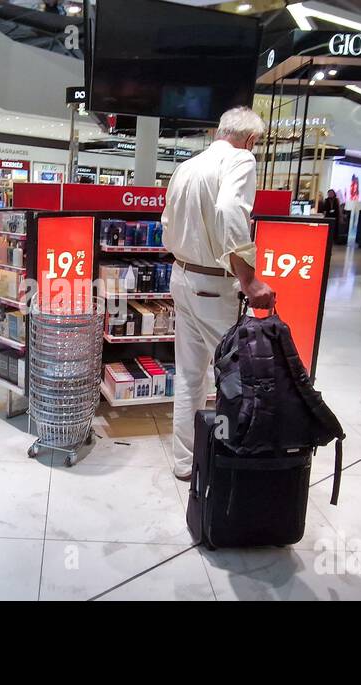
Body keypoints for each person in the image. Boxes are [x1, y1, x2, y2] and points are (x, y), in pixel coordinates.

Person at [161, 106, 274, 480]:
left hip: (181, 276)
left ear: (218, 131)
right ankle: (227, 452)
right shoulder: (241, 159)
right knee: (234, 375)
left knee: (190, 375)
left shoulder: (188, 166)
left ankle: (184, 461)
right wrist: (249, 279)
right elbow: (229, 210)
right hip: (214, 284)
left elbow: (167, 220)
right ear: (251, 139)